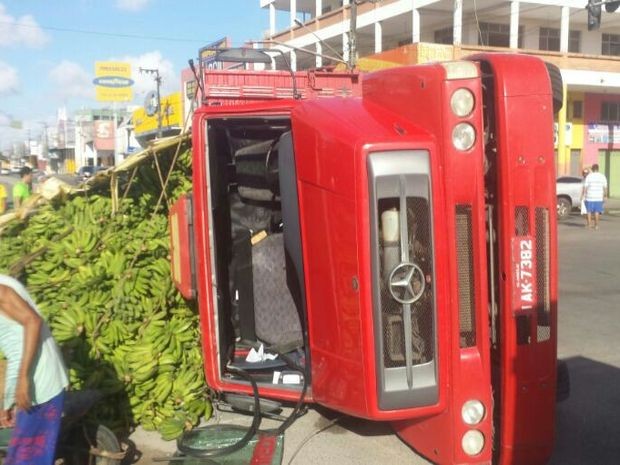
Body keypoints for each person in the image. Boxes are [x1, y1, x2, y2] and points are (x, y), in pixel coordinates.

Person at [0, 274, 69, 465]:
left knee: (27, 459)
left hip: (39, 385)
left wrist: (22, 381)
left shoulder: (1, 291)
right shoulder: (4, 281)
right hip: (36, 378)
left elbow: (33, 321)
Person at [582, 164, 608, 230]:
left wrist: (584, 195)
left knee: (589, 211)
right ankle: (596, 226)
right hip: (599, 197)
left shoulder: (589, 176)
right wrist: (605, 196)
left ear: (592, 169)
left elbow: (585, 187)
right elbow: (605, 187)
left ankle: (589, 225)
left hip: (589, 196)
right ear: (598, 169)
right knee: (597, 211)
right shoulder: (602, 176)